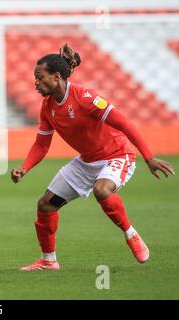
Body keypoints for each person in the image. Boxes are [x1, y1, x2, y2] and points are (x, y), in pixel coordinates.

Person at [11, 44, 175, 271]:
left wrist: (148, 157)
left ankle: (131, 234)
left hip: (117, 154)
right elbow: (41, 144)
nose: (36, 83)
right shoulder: (47, 107)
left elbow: (125, 123)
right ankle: (48, 261)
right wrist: (24, 168)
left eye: (40, 78)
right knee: (46, 205)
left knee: (102, 190)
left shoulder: (86, 98)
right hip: (87, 161)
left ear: (56, 77)